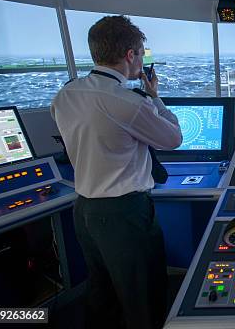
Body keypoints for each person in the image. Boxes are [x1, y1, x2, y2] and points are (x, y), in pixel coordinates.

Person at [51, 16, 182, 329]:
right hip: (124, 212)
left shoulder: (66, 94)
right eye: (141, 54)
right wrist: (154, 96)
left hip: (84, 209)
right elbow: (174, 139)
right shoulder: (129, 102)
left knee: (102, 290)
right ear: (130, 55)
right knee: (143, 294)